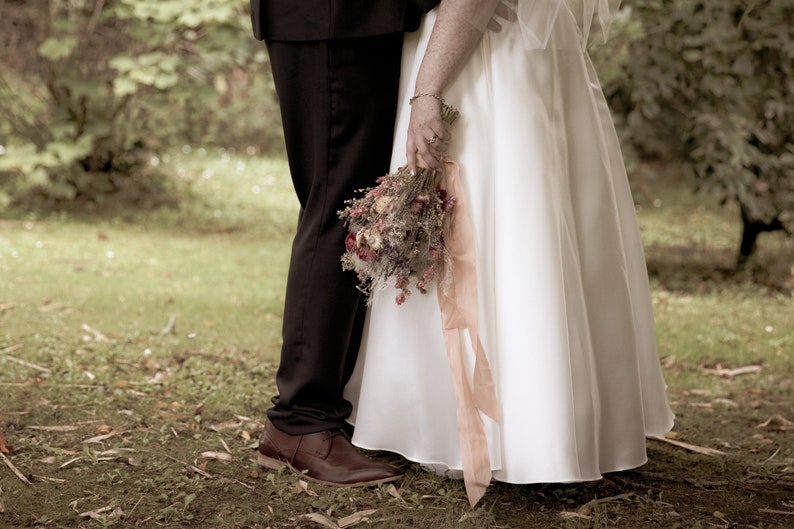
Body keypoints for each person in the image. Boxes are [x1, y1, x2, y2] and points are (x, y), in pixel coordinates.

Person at [344, 0, 676, 506]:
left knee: (499, 226)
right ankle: (553, 423)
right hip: (533, 59)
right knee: (541, 228)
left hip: (481, 63)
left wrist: (428, 92)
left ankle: (498, 431)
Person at [249, 0, 441, 487]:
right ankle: (300, 421)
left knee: (343, 206)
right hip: (336, 16)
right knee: (340, 209)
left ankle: (315, 412)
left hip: (345, 18)